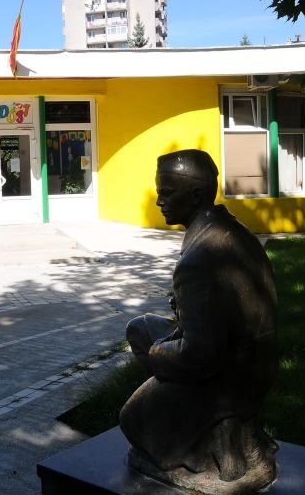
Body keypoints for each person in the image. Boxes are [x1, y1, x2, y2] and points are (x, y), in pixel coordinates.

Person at [119, 149, 279, 492]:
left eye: (166, 192)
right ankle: (205, 430)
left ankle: (209, 443)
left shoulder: (198, 260)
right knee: (139, 328)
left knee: (131, 420)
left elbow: (200, 357)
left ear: (194, 195)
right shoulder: (233, 230)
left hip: (227, 379)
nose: (159, 201)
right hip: (255, 364)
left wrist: (157, 353)